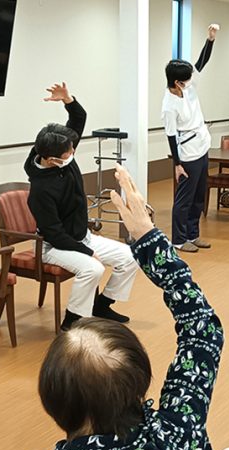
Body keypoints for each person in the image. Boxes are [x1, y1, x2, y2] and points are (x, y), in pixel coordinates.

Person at [2, 164, 224, 450]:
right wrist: (148, 237)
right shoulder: (181, 430)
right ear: (139, 378)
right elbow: (203, 329)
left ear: (54, 401)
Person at [26, 82, 138, 331]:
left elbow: (79, 118)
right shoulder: (40, 191)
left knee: (130, 257)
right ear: (51, 159)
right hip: (52, 246)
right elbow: (54, 234)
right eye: (69, 153)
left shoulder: (59, 147)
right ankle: (72, 321)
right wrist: (86, 252)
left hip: (80, 236)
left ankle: (102, 306)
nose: (73, 153)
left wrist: (68, 100)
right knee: (93, 269)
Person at [163, 24, 219, 253]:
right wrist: (177, 164)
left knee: (198, 196)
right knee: (184, 199)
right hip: (187, 154)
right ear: (177, 82)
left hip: (202, 146)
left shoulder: (188, 86)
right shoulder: (169, 105)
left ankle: (193, 235)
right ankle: (178, 240)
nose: (191, 80)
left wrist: (210, 39)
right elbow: (170, 135)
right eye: (187, 79)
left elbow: (201, 63)